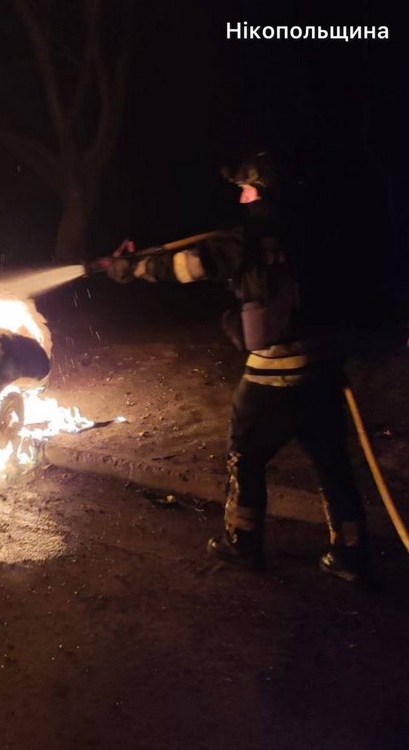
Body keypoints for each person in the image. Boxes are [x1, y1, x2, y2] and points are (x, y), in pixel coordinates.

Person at [105, 150, 370, 582]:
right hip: (323, 368)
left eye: (246, 188)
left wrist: (134, 270)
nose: (241, 196)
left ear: (262, 192)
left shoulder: (247, 239)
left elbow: (187, 266)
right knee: (331, 460)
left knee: (244, 453)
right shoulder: (316, 232)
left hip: (274, 372)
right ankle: (351, 552)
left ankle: (243, 542)